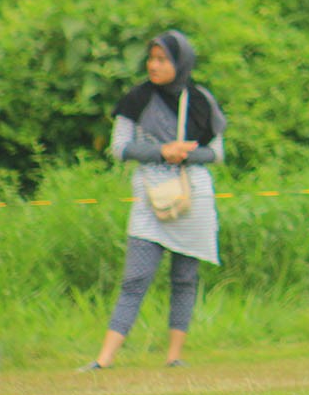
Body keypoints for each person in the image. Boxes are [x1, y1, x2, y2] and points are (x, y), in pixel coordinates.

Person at [81, 30, 227, 370]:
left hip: (194, 199)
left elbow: (216, 153)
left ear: (181, 62)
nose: (154, 65)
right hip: (151, 198)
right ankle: (104, 359)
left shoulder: (201, 99)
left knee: (185, 278)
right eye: (151, 58)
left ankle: (174, 356)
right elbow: (120, 147)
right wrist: (161, 151)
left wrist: (185, 154)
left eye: (162, 59)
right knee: (135, 278)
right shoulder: (137, 99)